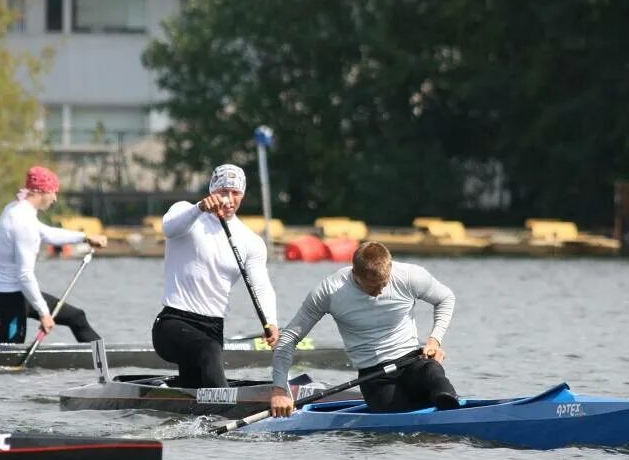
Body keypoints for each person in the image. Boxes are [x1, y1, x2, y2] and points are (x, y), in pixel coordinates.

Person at [270, 240, 458, 417]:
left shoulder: (410, 276)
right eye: (372, 287)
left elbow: (446, 298)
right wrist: (279, 389)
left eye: (383, 284)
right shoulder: (330, 291)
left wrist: (434, 340)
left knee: (433, 373)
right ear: (355, 274)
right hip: (374, 376)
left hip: (413, 362)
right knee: (395, 418)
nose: (379, 292)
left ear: (390, 268)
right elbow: (289, 337)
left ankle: (451, 410)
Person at [152, 163, 279, 388]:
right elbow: (168, 228)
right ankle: (225, 413)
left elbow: (261, 286)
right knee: (208, 351)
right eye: (222, 192)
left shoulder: (251, 241)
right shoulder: (187, 212)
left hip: (213, 329)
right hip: (172, 324)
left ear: (243, 194)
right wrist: (199, 208)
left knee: (195, 387)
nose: (228, 199)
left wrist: (271, 321)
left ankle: (193, 416)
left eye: (235, 193)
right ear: (212, 190)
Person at [0, 165, 107, 344]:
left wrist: (85, 237)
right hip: (12, 301)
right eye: (52, 192)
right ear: (39, 191)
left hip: (19, 296)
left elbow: (47, 233)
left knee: (76, 317)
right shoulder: (23, 223)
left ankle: (102, 357)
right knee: (7, 363)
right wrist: (44, 314)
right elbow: (25, 274)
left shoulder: (15, 209)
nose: (54, 198)